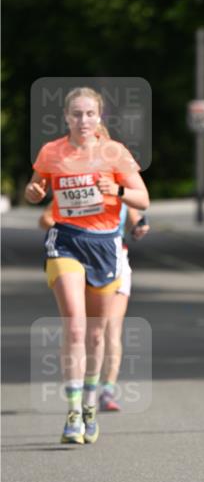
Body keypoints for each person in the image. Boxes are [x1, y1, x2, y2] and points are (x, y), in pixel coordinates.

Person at [25, 87, 150, 444]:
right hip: (65, 241)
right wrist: (34, 193)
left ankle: (91, 405)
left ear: (100, 118)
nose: (83, 121)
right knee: (76, 328)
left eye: (90, 114)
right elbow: (35, 188)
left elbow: (143, 197)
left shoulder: (115, 153)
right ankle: (73, 410)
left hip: (105, 246)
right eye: (77, 114)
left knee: (96, 333)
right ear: (66, 117)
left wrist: (118, 191)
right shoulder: (52, 152)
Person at [38, 200, 150, 412]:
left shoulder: (119, 185)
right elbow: (45, 218)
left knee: (110, 330)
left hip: (114, 257)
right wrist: (71, 232)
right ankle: (80, 389)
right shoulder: (78, 182)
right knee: (80, 329)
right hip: (77, 255)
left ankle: (107, 391)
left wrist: (139, 227)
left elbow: (135, 217)